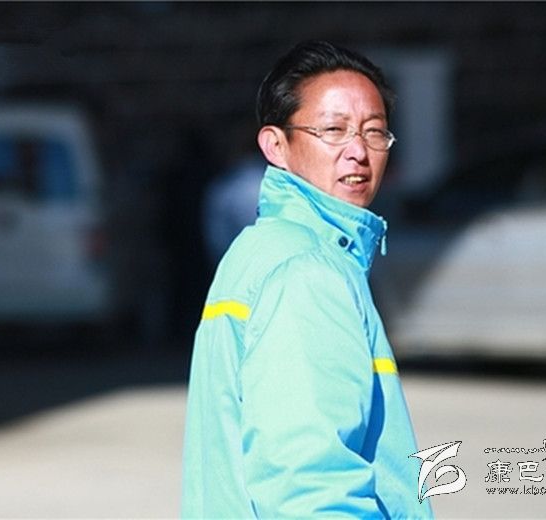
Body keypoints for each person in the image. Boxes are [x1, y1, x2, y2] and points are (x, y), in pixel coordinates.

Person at [182, 41, 433, 518]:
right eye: (333, 130)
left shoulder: (263, 249)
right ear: (276, 146)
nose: (358, 152)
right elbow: (311, 484)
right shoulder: (307, 270)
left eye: (374, 132)